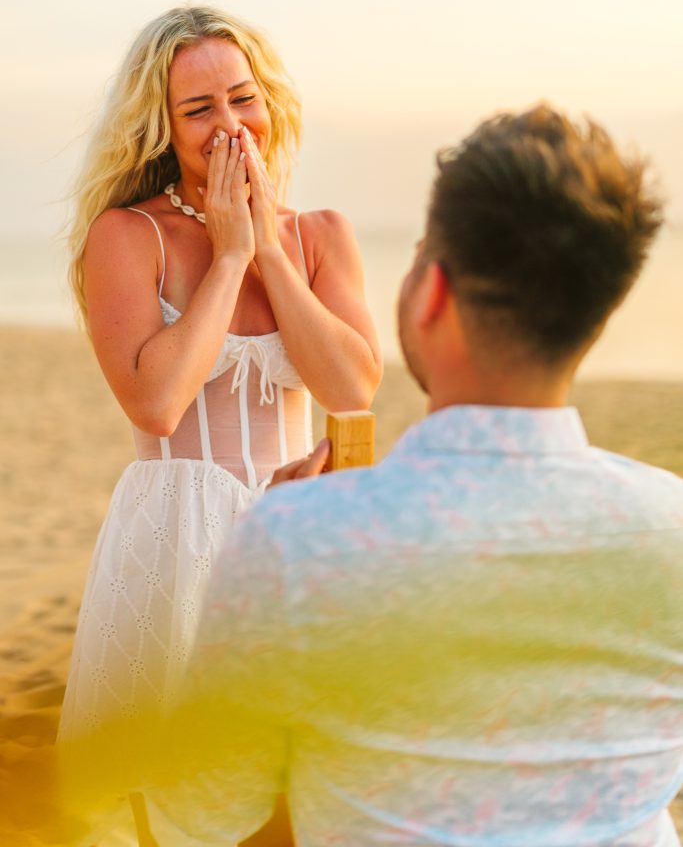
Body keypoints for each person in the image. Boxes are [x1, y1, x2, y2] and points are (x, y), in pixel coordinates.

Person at [142, 105, 683, 845]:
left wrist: (281, 543)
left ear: (430, 291)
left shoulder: (299, 544)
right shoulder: (671, 527)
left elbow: (196, 818)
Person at [58, 5, 382, 841]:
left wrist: (269, 249)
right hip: (178, 546)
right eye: (199, 110)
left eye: (242, 98)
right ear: (161, 127)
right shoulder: (126, 236)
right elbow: (157, 403)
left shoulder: (319, 236)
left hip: (300, 544)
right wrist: (229, 253)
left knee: (303, 796)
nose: (229, 126)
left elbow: (350, 389)